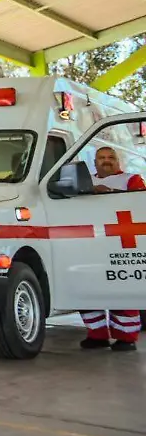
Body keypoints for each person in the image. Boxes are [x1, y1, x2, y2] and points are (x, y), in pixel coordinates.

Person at [79, 146, 142, 352]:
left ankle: (126, 337)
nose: (106, 161)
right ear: (94, 162)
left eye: (111, 157)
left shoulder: (132, 179)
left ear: (118, 160)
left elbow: (139, 202)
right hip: (90, 242)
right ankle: (96, 335)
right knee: (88, 287)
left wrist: (111, 193)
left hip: (120, 241)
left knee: (121, 288)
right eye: (101, 158)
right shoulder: (84, 180)